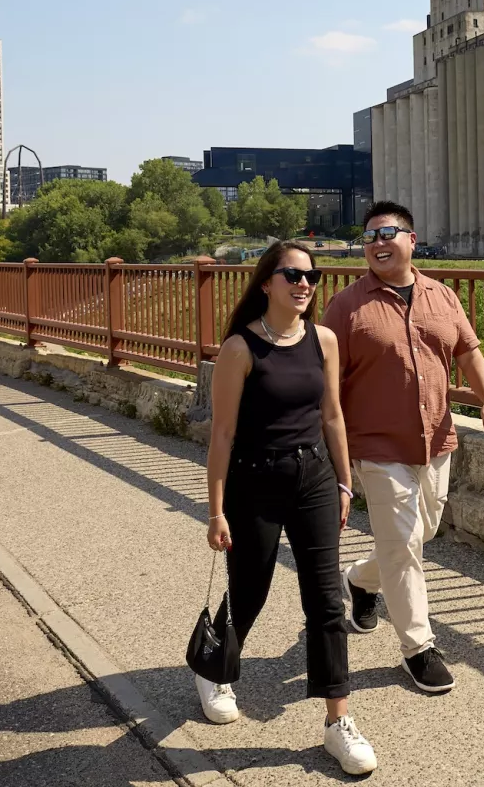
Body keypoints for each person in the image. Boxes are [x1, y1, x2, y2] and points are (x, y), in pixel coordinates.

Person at [201, 241, 377, 775]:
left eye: (311, 275)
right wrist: (216, 509)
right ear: (265, 282)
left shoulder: (323, 340)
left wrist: (345, 484)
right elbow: (223, 433)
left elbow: (333, 416)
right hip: (255, 480)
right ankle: (214, 672)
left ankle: (337, 723)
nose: (304, 284)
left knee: (325, 601)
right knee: (249, 591)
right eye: (292, 274)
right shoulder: (240, 349)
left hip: (315, 480)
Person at [323, 202, 484, 695]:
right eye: (369, 237)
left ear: (411, 239)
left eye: (388, 233)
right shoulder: (346, 306)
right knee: (403, 543)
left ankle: (360, 581)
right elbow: (325, 376)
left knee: (419, 532)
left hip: (436, 438)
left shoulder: (442, 297)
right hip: (376, 444)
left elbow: (468, 351)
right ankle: (418, 648)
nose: (378, 243)